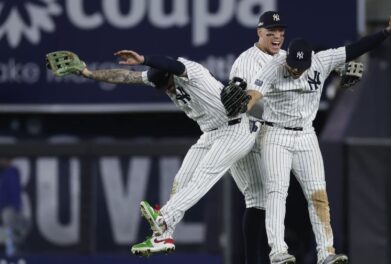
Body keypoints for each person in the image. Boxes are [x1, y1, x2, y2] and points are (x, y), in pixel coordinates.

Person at [48, 51, 262, 255]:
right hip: (211, 133)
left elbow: (171, 63)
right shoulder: (160, 76)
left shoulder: (187, 70)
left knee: (201, 179)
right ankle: (164, 237)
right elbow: (124, 76)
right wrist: (88, 73)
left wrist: (143, 58)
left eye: (167, 84)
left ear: (170, 75)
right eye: (162, 87)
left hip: (236, 128)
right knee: (182, 179)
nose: (167, 89)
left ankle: (164, 218)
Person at [242, 8, 391, 264]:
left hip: (306, 136)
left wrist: (387, 31)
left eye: (301, 66)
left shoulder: (321, 61)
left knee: (318, 195)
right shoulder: (274, 66)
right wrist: (242, 106)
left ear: (309, 60)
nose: (297, 70)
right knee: (276, 193)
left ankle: (326, 252)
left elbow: (357, 48)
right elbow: (254, 93)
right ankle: (277, 251)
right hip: (276, 135)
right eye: (293, 66)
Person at [228, 10, 286, 264]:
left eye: (280, 33)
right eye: (270, 33)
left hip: (275, 134)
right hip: (246, 131)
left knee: (274, 197)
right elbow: (238, 103)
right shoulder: (245, 62)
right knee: (257, 199)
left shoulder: (285, 57)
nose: (277, 38)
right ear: (259, 33)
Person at [0, 158, 22, 257]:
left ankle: (11, 250)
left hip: (8, 206)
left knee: (9, 226)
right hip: (3, 206)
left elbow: (14, 191)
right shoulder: (3, 172)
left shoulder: (12, 172)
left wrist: (16, 206)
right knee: (7, 229)